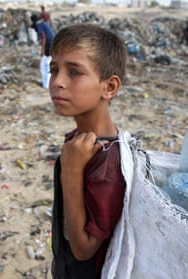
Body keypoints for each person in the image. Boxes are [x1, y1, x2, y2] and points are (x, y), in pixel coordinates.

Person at [49, 24, 127, 279]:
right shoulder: (80, 140)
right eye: (54, 70)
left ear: (110, 87)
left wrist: (71, 171)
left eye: (74, 72)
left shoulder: (108, 164)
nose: (57, 82)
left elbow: (84, 249)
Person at [30, 13, 55, 88]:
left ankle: (46, 84)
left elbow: (43, 37)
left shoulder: (39, 25)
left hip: (49, 44)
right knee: (48, 62)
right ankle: (49, 82)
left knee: (45, 64)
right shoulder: (43, 23)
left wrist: (42, 51)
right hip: (53, 42)